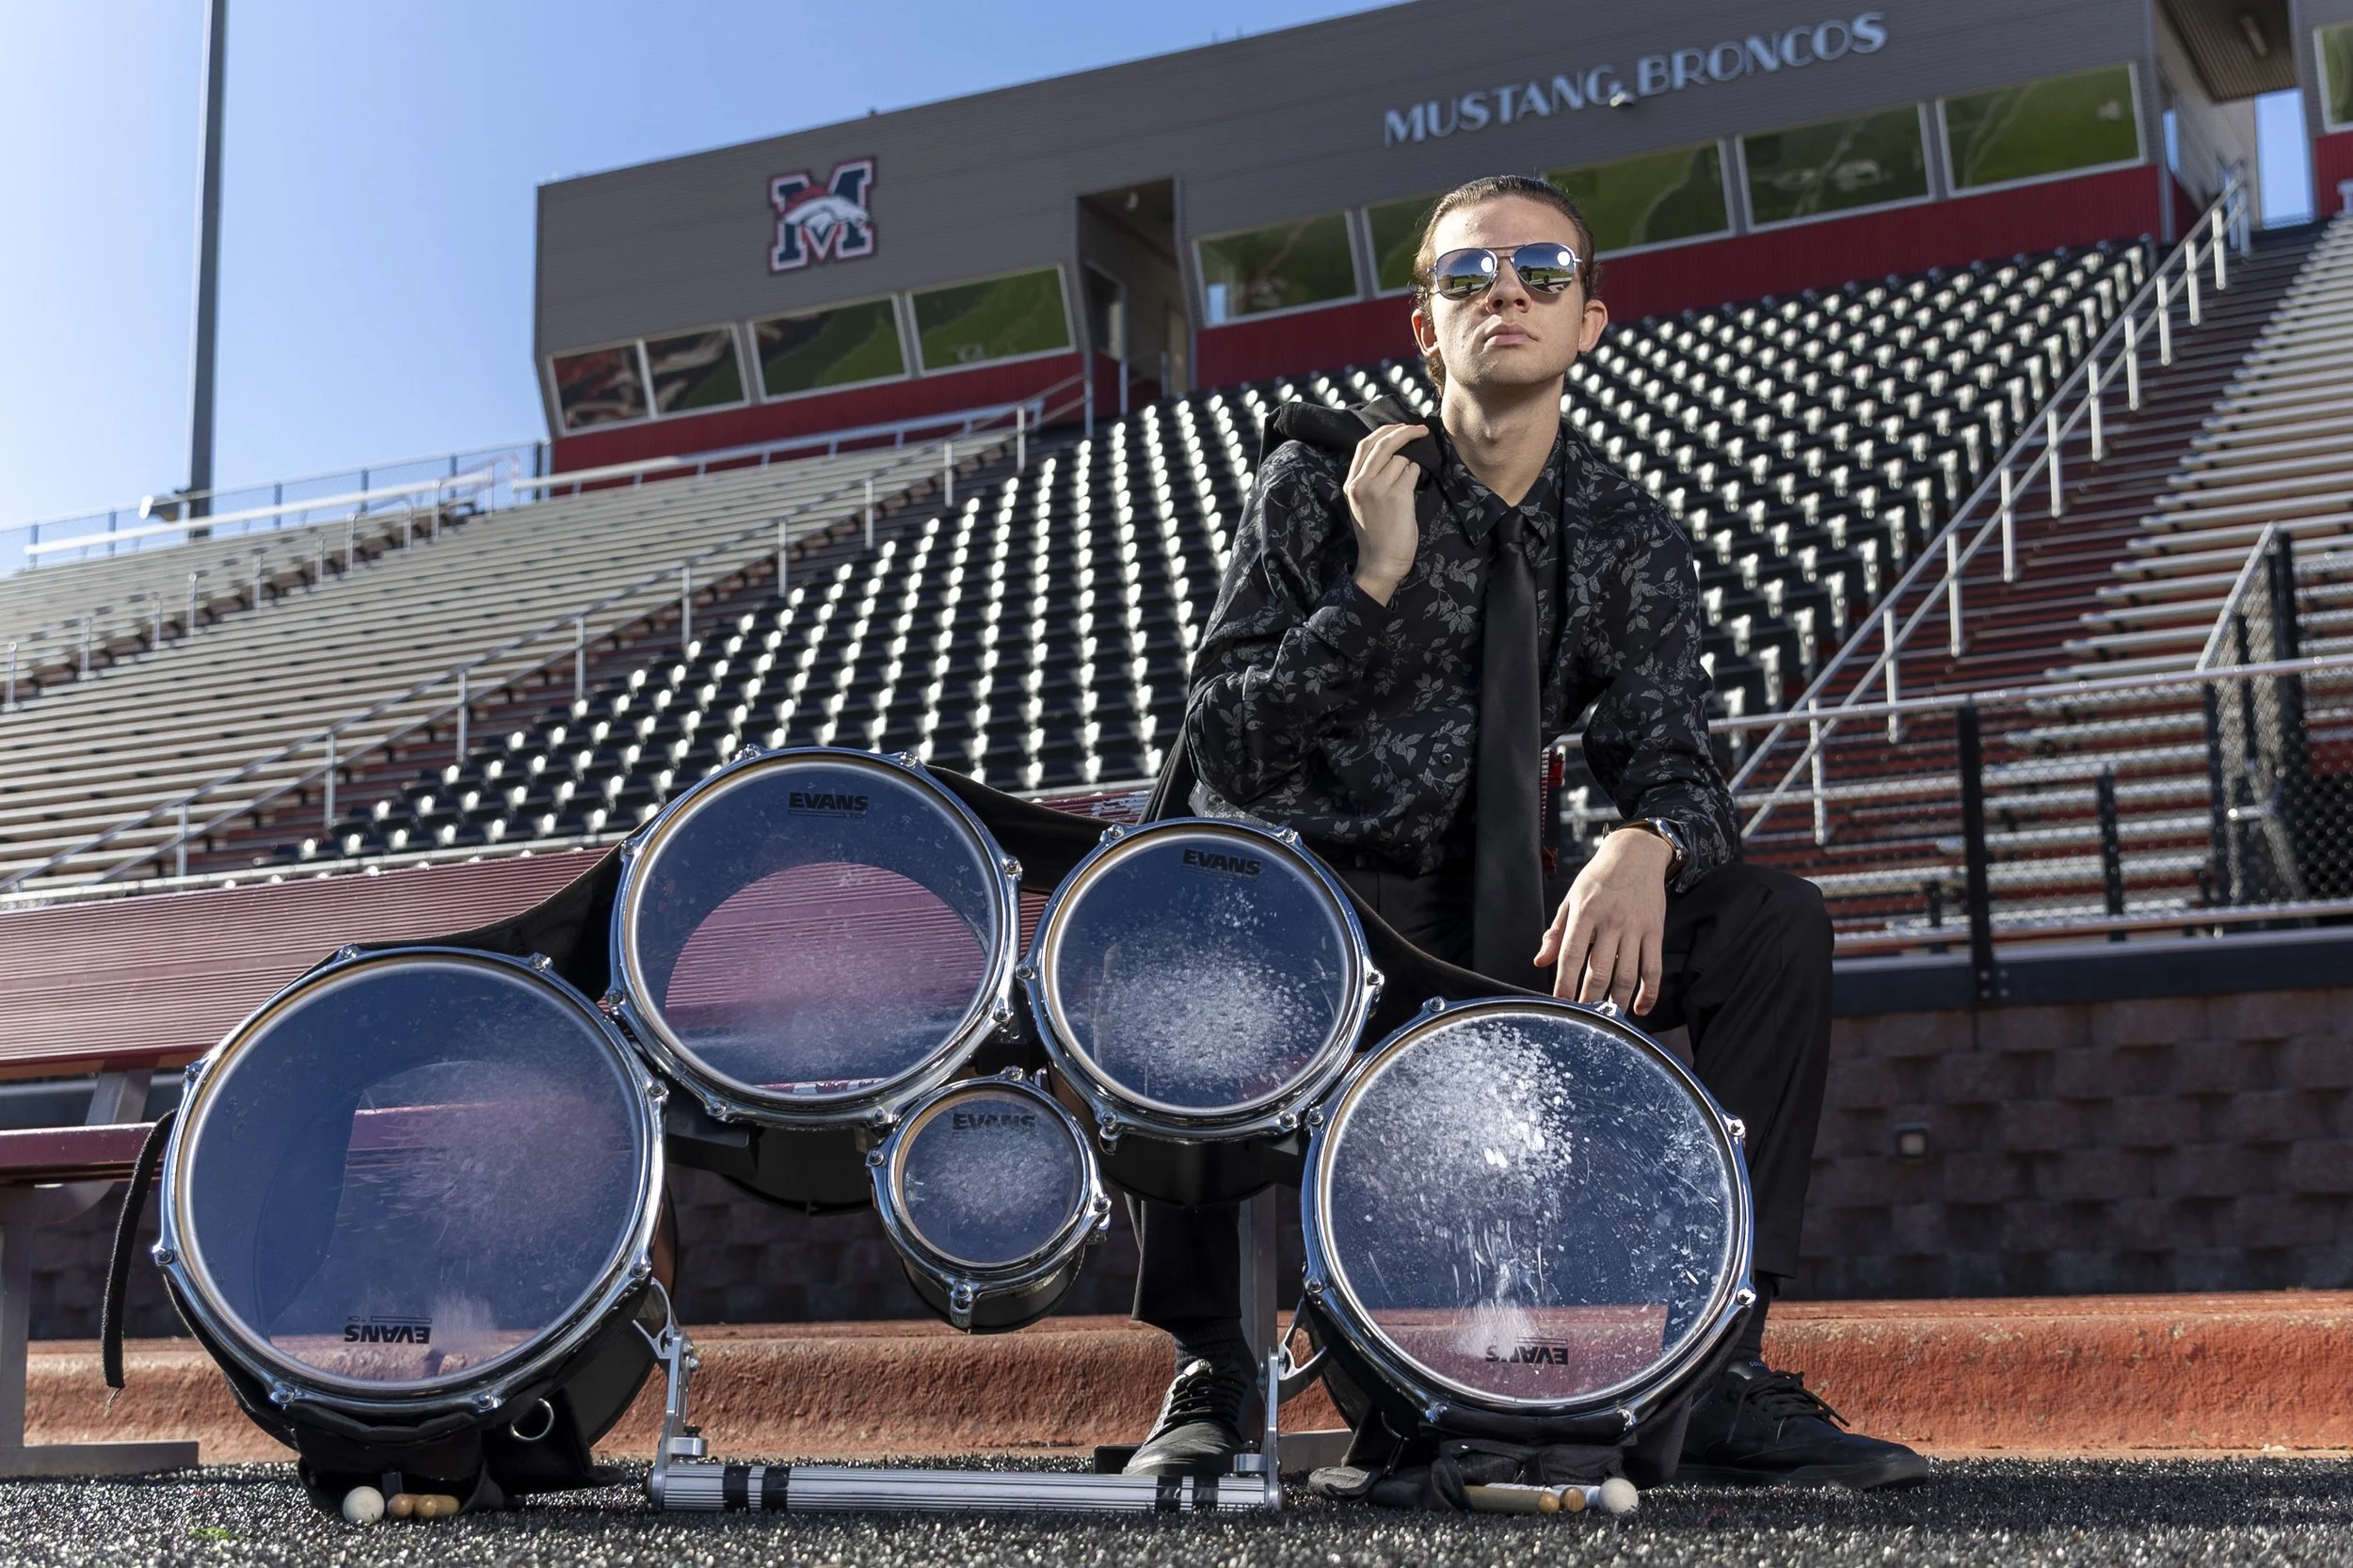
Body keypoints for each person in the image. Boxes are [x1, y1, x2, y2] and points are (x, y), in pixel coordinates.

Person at [1119, 173, 1928, 1491]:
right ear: (1422, 327)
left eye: (1541, 272)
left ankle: (1718, 1363)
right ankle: (1213, 1363)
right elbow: (1227, 741)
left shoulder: (1622, 537)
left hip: (1495, 913)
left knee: (1775, 924)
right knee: (1183, 914)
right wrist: (1371, 584)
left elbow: (1682, 771)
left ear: (1590, 320)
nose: (1505, 290)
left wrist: (1645, 844)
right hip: (1310, 916)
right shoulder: (1320, 482)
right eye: (1467, 275)